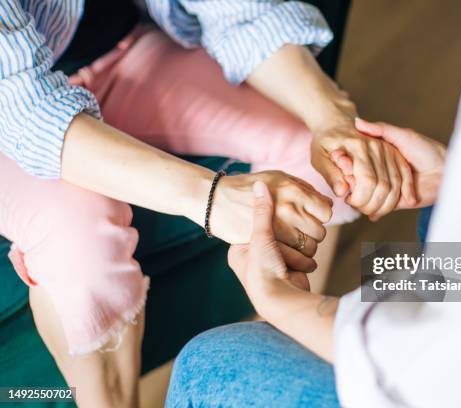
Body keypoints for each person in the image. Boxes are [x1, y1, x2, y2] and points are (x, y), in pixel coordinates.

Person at [166, 0, 461, 406]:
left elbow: (436, 382)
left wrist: (280, 301)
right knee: (395, 265)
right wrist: (457, 179)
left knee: (213, 364)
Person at [0, 1, 420, 407]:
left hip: (120, 54)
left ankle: (285, 347)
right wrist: (209, 197)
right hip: (15, 115)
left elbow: (237, 9)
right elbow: (27, 112)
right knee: (81, 244)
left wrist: (332, 116)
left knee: (320, 161)